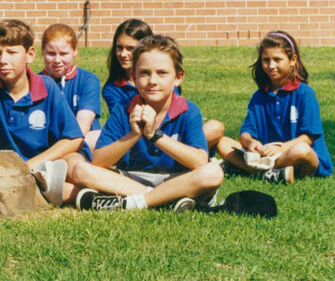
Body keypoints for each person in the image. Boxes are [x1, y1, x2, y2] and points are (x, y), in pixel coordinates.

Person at [71, 35, 224, 211]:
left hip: (178, 179)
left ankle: (139, 202)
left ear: (178, 77)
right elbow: (98, 161)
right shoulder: (124, 108)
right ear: (133, 77)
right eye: (144, 73)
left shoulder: (188, 110)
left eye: (162, 73)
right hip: (132, 180)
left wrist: (154, 135)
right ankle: (164, 199)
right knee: (81, 170)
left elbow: (199, 161)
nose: (152, 81)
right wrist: (134, 135)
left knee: (213, 172)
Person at [0, 19, 84, 206]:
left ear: (30, 54)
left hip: (53, 161)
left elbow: (74, 138)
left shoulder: (47, 86)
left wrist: (30, 165)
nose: (3, 60)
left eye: (12, 52)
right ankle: (106, 200)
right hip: (17, 170)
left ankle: (137, 192)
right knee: (58, 190)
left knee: (79, 170)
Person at [217, 31, 331, 182]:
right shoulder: (259, 96)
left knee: (301, 150)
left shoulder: (304, 93)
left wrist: (282, 148)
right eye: (266, 60)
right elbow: (246, 133)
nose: (271, 66)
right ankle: (273, 174)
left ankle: (257, 170)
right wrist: (251, 143)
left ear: (292, 60)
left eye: (277, 59)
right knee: (222, 142)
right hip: (266, 156)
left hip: (297, 156)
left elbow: (308, 138)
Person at [40, 23, 102, 151]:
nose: (57, 60)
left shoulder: (88, 80)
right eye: (51, 53)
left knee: (97, 137)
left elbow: (82, 127)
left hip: (80, 142)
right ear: (43, 52)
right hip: (47, 142)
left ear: (75, 51)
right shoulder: (36, 82)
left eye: (63, 54)